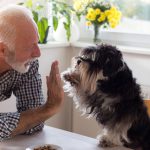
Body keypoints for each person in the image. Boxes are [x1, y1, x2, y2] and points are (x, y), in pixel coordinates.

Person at [0, 5, 64, 141]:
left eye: (37, 43)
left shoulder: (26, 64)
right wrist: (49, 108)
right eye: (29, 47)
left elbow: (35, 123)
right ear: (2, 50)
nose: (38, 53)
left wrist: (42, 112)